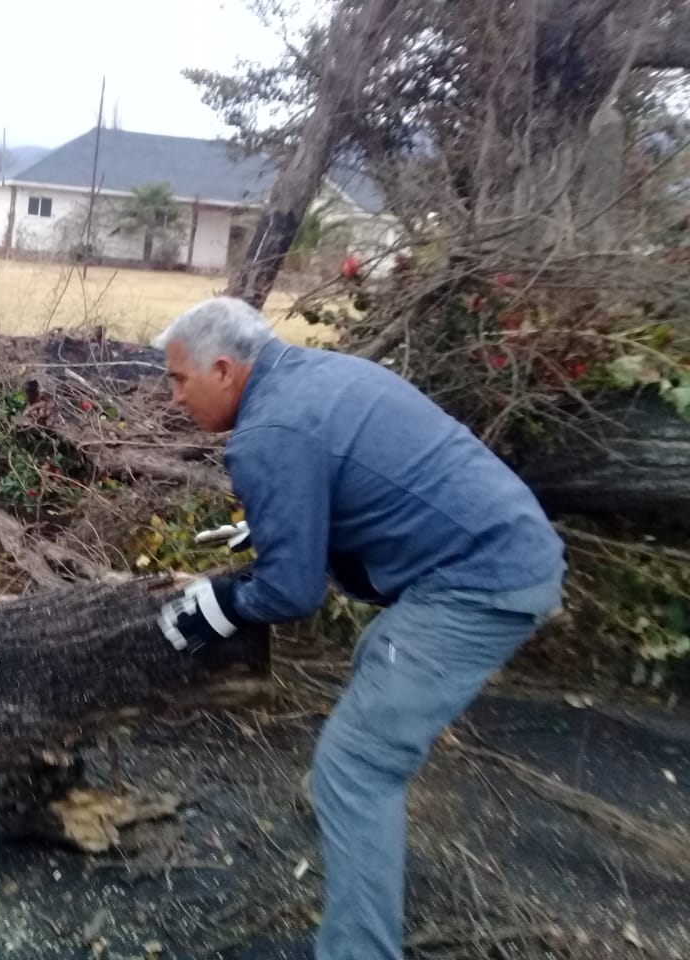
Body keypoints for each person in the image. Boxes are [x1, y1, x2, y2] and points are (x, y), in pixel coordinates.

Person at [153, 297, 564, 960]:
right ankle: (345, 825)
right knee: (380, 654)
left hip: (480, 582)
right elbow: (352, 465)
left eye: (178, 380)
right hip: (505, 549)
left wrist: (219, 605)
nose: (174, 398)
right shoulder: (317, 376)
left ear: (224, 370)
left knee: (356, 766)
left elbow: (291, 591)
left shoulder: (270, 432)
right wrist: (281, 519)